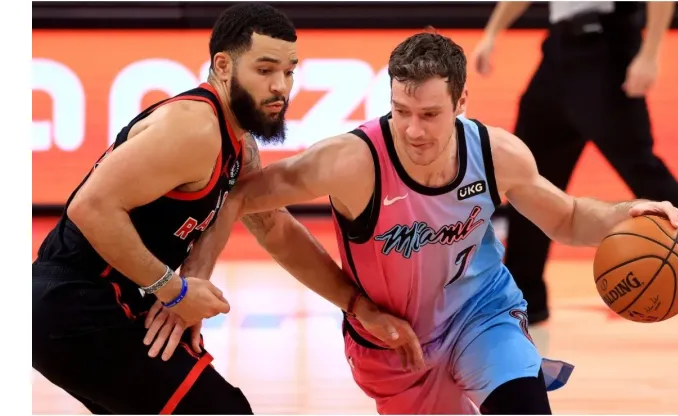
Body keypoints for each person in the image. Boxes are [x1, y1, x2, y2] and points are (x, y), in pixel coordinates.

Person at [183, 32, 678, 414]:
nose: (412, 129)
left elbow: (565, 217)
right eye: (401, 110)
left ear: (461, 102)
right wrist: (191, 279)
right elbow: (239, 196)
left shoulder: (495, 152)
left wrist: (622, 214)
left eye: (430, 114)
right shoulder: (350, 161)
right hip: (392, 343)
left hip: (482, 315)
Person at [31, 3, 422, 414]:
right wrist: (174, 289)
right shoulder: (195, 127)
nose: (281, 87)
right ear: (222, 65)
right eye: (265, 69)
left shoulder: (240, 145)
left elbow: (275, 230)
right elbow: (89, 208)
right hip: (72, 303)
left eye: (289, 71)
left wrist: (357, 305)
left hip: (110, 303)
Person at [471, 1, 678, 329]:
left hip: (607, 48)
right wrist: (492, 32)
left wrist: (651, 53)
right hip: (558, 52)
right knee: (529, 178)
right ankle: (525, 303)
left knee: (646, 174)